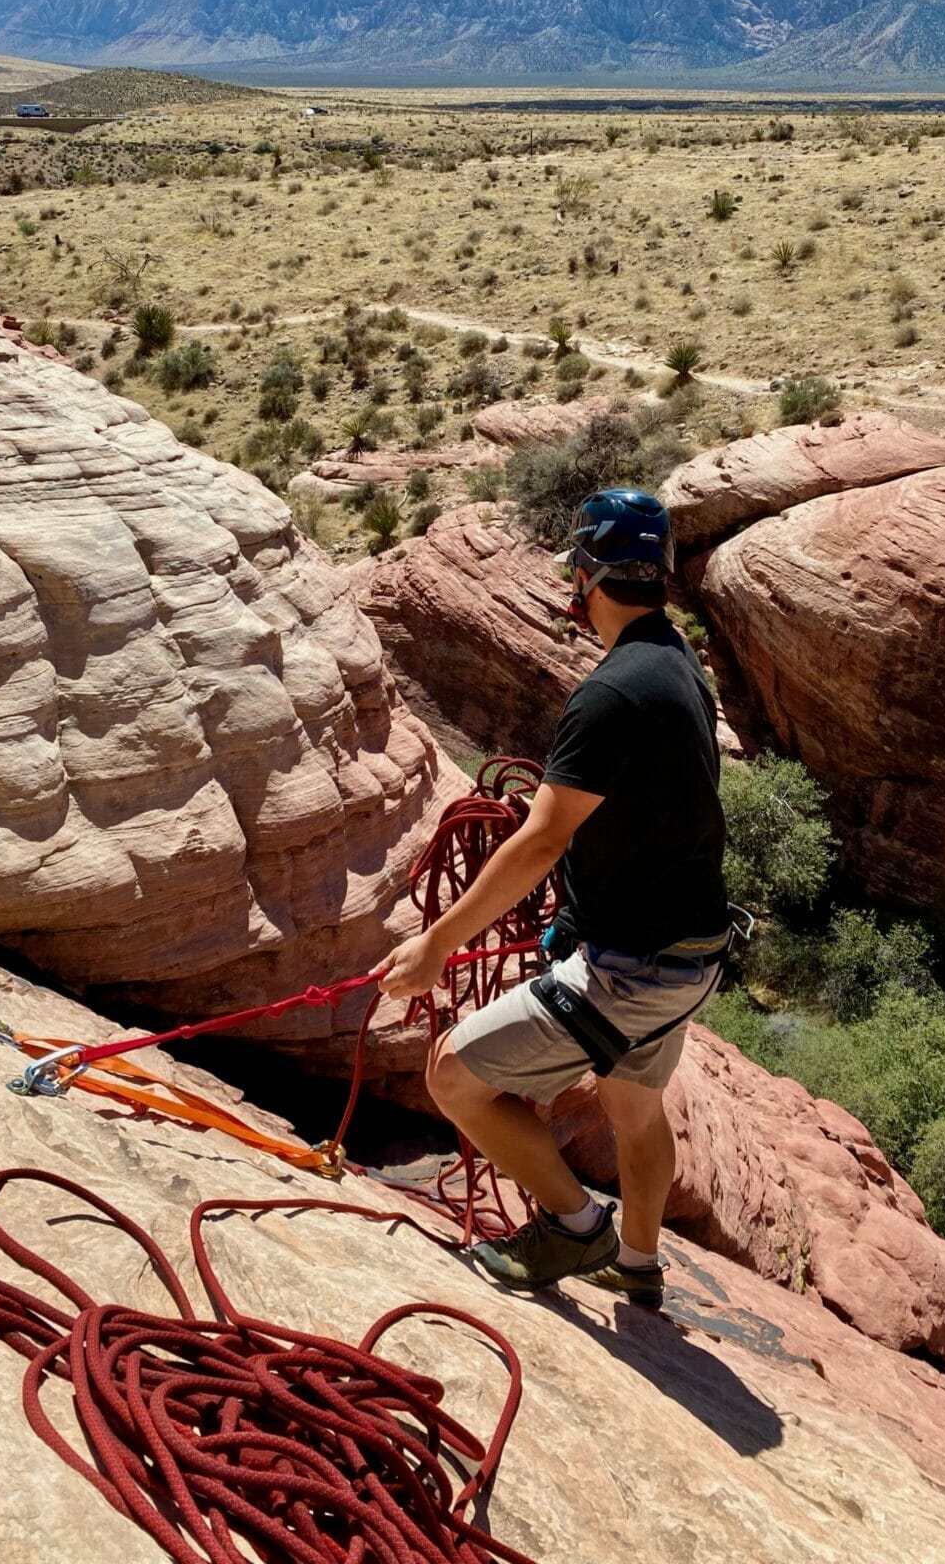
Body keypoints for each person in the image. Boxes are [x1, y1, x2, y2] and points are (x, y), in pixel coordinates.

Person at [374, 488, 730, 1307]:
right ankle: (638, 1266)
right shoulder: (678, 665)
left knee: (453, 1075)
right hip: (689, 953)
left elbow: (539, 840)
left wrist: (437, 946)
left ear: (588, 574)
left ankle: (574, 1228)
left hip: (631, 969)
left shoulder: (608, 696)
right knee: (635, 1112)